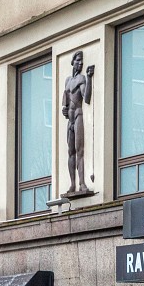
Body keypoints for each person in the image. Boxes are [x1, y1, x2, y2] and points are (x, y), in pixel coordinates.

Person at [61, 50, 95, 195]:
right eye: (78, 60)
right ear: (73, 61)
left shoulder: (81, 78)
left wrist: (88, 78)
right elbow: (65, 102)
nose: (80, 63)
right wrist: (64, 110)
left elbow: (86, 98)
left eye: (82, 61)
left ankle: (82, 183)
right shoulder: (68, 80)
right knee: (70, 152)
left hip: (78, 115)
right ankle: (72, 184)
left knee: (79, 150)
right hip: (70, 118)